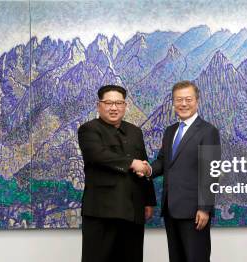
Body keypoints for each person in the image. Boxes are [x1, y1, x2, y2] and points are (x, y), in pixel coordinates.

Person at [141, 80, 220, 262]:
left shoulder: (208, 131)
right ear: (173, 102)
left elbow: (211, 172)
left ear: (197, 101)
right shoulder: (170, 131)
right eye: (178, 100)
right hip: (171, 209)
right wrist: (148, 170)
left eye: (188, 99)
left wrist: (204, 208)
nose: (183, 104)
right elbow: (163, 161)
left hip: (195, 212)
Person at [77, 84, 156, 262]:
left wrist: (149, 201)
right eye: (108, 103)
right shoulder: (89, 129)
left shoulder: (135, 131)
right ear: (99, 105)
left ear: (125, 106)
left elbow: (144, 163)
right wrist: (131, 162)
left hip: (133, 210)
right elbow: (97, 155)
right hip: (102, 211)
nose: (114, 108)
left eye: (118, 103)